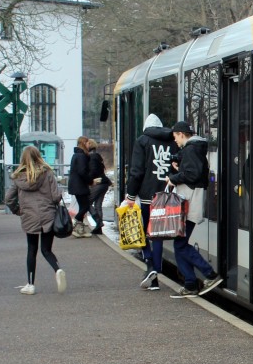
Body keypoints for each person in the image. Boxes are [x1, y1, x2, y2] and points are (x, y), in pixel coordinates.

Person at [166, 121, 222, 297]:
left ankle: (209, 274)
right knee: (180, 243)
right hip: (192, 201)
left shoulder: (191, 149)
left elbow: (192, 173)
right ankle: (190, 283)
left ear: (182, 134)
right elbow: (193, 168)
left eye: (175, 136)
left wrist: (173, 179)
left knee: (180, 244)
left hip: (188, 203)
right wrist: (177, 161)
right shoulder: (194, 148)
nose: (174, 140)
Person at [121, 114, 177, 291]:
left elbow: (137, 171)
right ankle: (155, 273)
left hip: (147, 196)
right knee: (158, 235)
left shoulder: (142, 141)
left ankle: (150, 266)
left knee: (143, 232)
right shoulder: (172, 141)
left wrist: (130, 195)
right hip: (166, 194)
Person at [4, 145, 67, 295]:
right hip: (48, 216)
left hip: (29, 216)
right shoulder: (48, 173)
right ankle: (58, 269)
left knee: (32, 250)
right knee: (46, 250)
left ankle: (30, 285)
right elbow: (56, 196)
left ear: (23, 159)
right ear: (38, 156)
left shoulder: (18, 177)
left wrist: (17, 210)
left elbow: (8, 198)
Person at [67, 135, 98, 237]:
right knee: (85, 206)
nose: (89, 145)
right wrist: (90, 180)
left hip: (75, 185)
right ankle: (75, 223)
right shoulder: (82, 156)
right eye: (88, 143)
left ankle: (79, 230)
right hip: (80, 185)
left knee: (82, 206)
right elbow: (82, 171)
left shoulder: (76, 155)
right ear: (84, 143)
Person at [86, 138, 111, 236]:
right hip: (104, 183)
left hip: (98, 183)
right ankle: (99, 228)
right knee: (98, 205)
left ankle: (98, 221)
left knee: (86, 202)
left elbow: (93, 171)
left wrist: (89, 179)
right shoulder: (97, 156)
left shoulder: (91, 157)